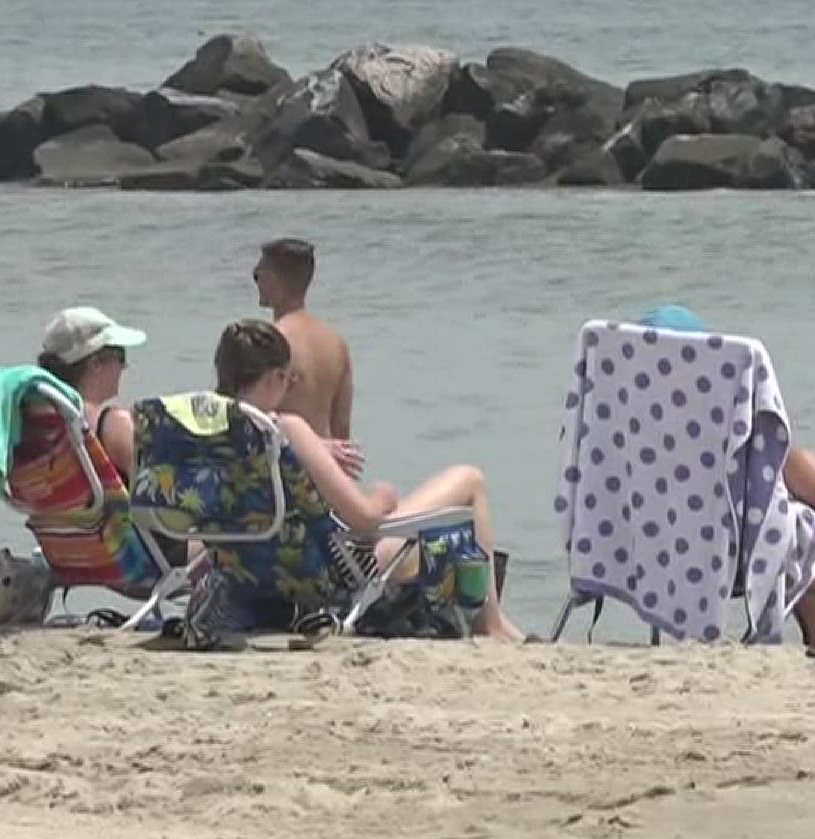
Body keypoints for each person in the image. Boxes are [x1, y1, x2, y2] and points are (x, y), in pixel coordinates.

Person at [213, 319, 523, 641]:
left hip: (256, 577)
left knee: (435, 537)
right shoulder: (287, 429)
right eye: (288, 379)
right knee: (469, 481)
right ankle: (492, 624)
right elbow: (365, 521)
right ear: (275, 377)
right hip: (335, 574)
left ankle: (503, 628)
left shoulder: (210, 434)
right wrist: (383, 497)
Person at [638, 304, 815, 648]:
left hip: (646, 556)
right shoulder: (733, 420)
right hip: (733, 557)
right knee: (809, 520)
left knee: (789, 482)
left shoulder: (627, 431)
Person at [254, 237, 363, 477]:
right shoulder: (336, 343)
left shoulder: (269, 342)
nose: (256, 280)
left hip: (283, 479)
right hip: (325, 480)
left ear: (273, 279)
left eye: (258, 274)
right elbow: (342, 434)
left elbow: (248, 424)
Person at [33, 306, 147, 481]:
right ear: (95, 364)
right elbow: (153, 491)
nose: (125, 366)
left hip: (58, 507)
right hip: (113, 509)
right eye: (120, 356)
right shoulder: (112, 424)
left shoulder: (37, 420)